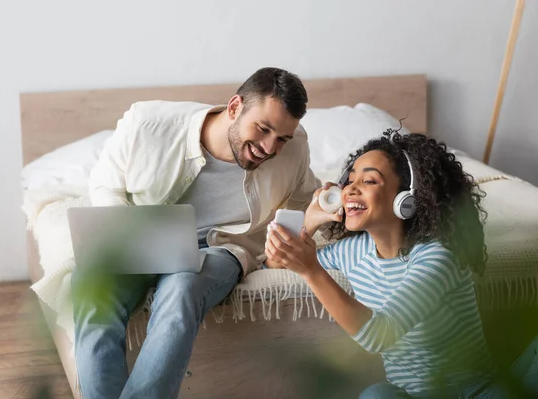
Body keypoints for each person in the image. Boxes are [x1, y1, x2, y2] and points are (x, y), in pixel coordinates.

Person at [71, 67, 321, 399]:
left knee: (183, 285)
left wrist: (313, 220)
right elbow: (105, 182)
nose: (269, 147)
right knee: (90, 285)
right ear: (234, 108)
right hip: (143, 236)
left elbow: (305, 203)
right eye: (263, 129)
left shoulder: (294, 148)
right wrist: (125, 233)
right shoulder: (147, 124)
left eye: (281, 138)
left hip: (221, 249)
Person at [265, 130, 538, 398]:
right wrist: (310, 222)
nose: (350, 189)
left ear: (405, 198)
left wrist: (312, 271)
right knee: (376, 395)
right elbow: (276, 266)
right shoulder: (351, 251)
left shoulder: (438, 256)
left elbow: (379, 335)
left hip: (477, 393)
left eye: (370, 181)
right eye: (349, 181)